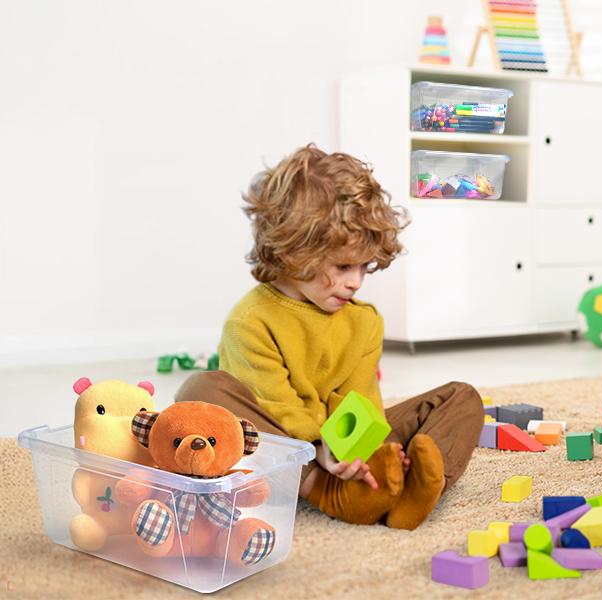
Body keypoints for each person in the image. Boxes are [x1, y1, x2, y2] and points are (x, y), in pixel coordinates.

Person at [179, 144, 480, 529]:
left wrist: (362, 450)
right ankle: (323, 490)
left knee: (461, 396)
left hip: (341, 441)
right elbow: (275, 405)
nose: (355, 281)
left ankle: (419, 488)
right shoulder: (251, 321)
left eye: (363, 266)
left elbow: (360, 402)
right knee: (202, 390)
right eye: (342, 266)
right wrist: (319, 452)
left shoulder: (364, 322)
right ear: (295, 251)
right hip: (286, 443)